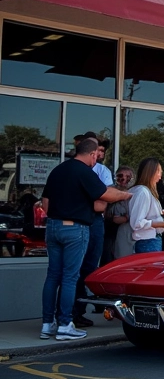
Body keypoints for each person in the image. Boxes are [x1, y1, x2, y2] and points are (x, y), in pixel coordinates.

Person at [40, 138, 131, 341]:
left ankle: (47, 324)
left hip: (53, 227)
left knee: (53, 276)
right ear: (91, 154)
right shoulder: (84, 172)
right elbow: (105, 195)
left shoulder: (58, 170)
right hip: (75, 229)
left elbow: (45, 204)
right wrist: (125, 196)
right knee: (70, 277)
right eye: (95, 156)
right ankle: (65, 324)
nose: (96, 159)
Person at [71, 132, 114, 327]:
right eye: (94, 149)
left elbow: (103, 201)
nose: (97, 153)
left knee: (89, 267)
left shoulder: (103, 171)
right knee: (72, 269)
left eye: (100, 149)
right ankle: (68, 313)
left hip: (95, 221)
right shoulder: (73, 168)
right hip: (76, 219)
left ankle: (78, 311)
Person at [129, 157, 164, 253]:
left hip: (149, 240)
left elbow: (145, 214)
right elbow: (137, 222)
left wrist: (162, 215)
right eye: (159, 172)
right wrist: (162, 223)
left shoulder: (142, 191)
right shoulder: (143, 192)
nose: (160, 177)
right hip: (147, 241)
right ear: (151, 172)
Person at [103, 165, 134, 263]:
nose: (124, 179)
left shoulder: (135, 192)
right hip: (110, 231)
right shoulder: (109, 190)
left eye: (128, 177)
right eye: (120, 176)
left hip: (129, 233)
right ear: (116, 177)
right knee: (108, 260)